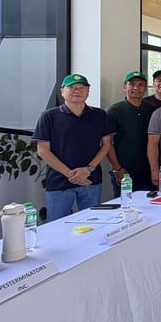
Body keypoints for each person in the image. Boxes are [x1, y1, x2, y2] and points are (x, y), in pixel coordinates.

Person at [32, 74, 114, 221]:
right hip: (59, 182)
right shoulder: (49, 116)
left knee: (92, 224)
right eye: (72, 87)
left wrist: (87, 170)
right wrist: (71, 175)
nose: (77, 91)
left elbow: (106, 144)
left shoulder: (99, 115)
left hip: (90, 179)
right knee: (58, 226)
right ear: (62, 91)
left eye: (82, 87)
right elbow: (43, 151)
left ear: (88, 91)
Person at [106, 71, 156, 196]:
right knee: (124, 204)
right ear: (125, 87)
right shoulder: (114, 111)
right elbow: (107, 143)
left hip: (147, 171)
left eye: (140, 85)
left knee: (147, 204)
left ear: (145, 88)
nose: (136, 88)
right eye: (132, 84)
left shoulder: (152, 110)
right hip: (123, 170)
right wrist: (117, 168)